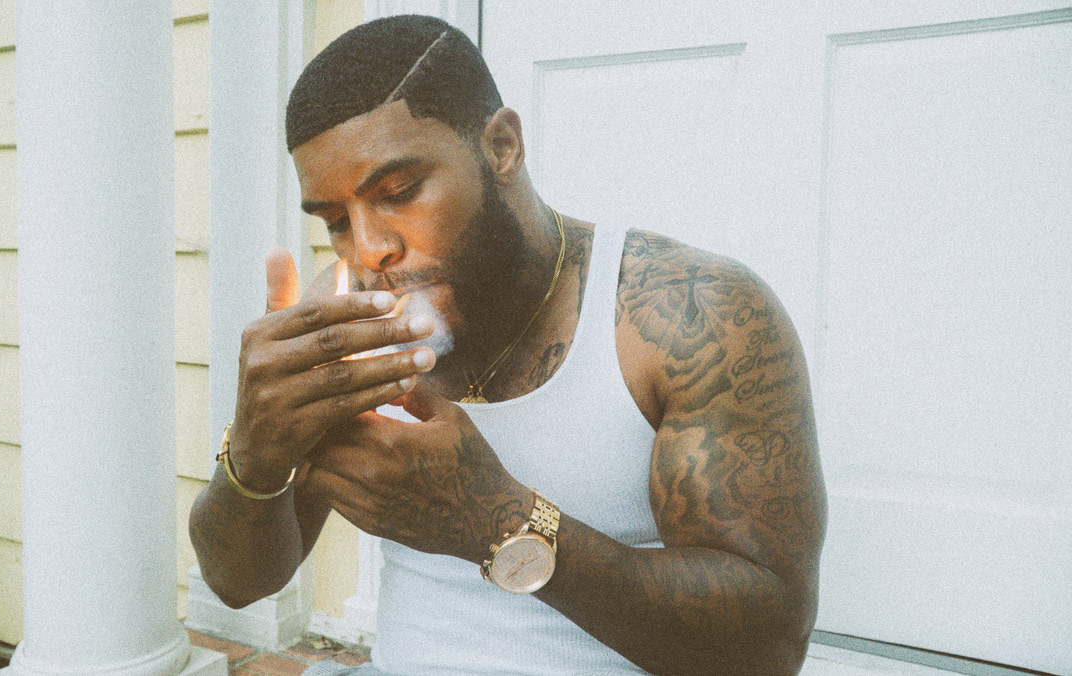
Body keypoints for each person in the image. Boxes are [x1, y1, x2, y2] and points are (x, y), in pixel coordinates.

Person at [189, 14, 826, 676]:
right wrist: (255, 453)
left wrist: (494, 521)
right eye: (336, 221)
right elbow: (238, 584)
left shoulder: (689, 315)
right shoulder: (349, 322)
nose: (370, 249)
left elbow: (766, 650)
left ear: (502, 146)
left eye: (399, 192)